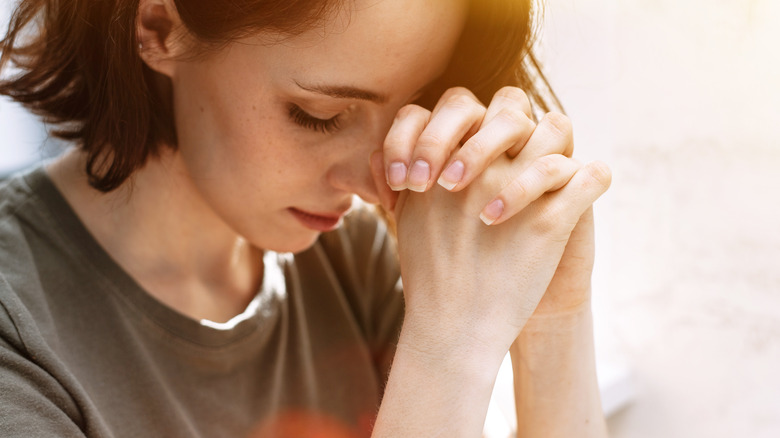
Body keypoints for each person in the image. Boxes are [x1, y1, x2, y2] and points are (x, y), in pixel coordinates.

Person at [0, 0, 612, 436]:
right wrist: (449, 348)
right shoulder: (19, 333)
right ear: (159, 25)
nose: (377, 181)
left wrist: (551, 322)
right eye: (319, 115)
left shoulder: (355, 265)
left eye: (413, 110)